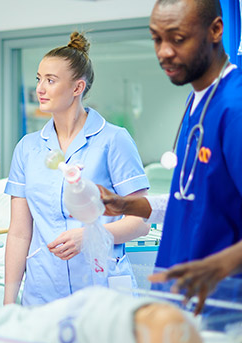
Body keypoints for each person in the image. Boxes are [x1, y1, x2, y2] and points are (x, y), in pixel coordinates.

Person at [98, 0, 242, 314]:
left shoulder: (234, 108)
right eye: (156, 39)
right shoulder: (198, 101)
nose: (163, 51)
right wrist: (129, 205)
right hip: (182, 297)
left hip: (224, 303)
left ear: (216, 30)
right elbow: (191, 197)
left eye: (177, 39)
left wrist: (217, 266)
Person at [4, 32, 150, 306]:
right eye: (39, 79)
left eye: (50, 80)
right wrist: (8, 303)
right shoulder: (28, 148)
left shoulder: (113, 140)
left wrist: (92, 235)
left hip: (102, 288)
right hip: (43, 291)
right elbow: (20, 232)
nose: (40, 89)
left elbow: (141, 221)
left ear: (77, 87)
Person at [0, 286, 203, 343]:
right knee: (27, 322)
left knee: (29, 327)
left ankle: (4, 323)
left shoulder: (117, 326)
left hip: (95, 296)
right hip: (51, 290)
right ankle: (6, 321)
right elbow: (20, 233)